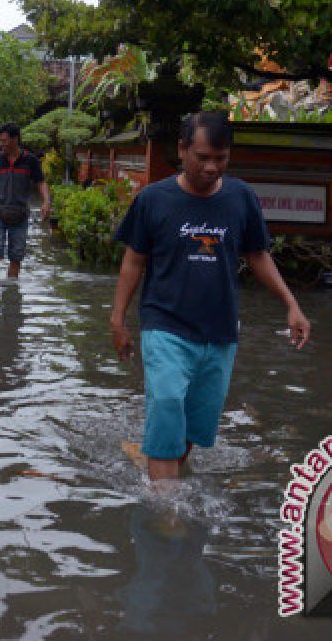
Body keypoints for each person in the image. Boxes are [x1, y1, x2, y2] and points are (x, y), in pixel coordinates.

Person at [109, 110, 311, 486]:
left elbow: (258, 255)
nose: (212, 167)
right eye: (203, 157)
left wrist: (291, 304)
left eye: (221, 158)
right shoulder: (154, 199)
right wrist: (118, 319)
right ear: (183, 150)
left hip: (219, 331)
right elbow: (133, 261)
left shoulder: (241, 198)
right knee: (168, 402)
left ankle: (162, 468)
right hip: (164, 325)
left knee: (193, 425)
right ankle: (165, 510)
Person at [0, 123, 50, 279]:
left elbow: (41, 182)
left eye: (4, 141)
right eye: (0, 141)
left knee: (16, 256)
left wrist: (46, 201)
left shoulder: (30, 160)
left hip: (20, 214)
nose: (1, 144)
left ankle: (12, 296)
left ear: (15, 139)